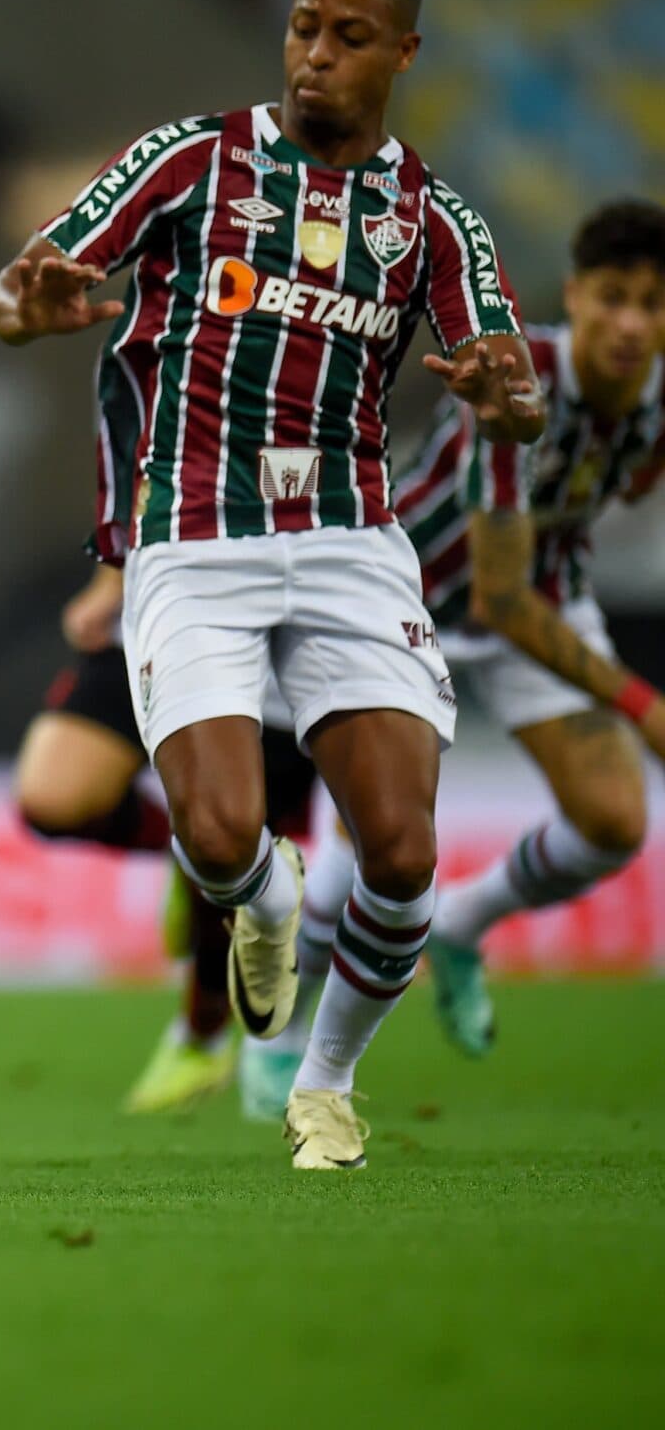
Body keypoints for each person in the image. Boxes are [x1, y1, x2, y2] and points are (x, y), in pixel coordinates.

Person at [0, 0, 542, 1169]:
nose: (315, 57)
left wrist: (508, 399)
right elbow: (25, 290)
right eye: (302, 28)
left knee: (402, 850)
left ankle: (325, 1083)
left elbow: (503, 372)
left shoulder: (433, 217)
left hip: (348, 537)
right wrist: (27, 305)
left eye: (347, 37)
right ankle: (268, 906)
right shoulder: (193, 161)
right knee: (227, 834)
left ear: (401, 53)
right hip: (192, 533)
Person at [242, 199, 665, 1106]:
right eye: (615, 298)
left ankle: (464, 925)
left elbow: (628, 479)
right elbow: (498, 597)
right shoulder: (522, 380)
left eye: (654, 304)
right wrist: (643, 704)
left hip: (543, 588)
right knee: (371, 846)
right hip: (418, 594)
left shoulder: (656, 395)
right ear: (578, 297)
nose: (633, 324)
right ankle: (283, 1040)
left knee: (615, 821)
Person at [17, 562, 316, 1114]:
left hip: (277, 646)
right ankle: (187, 851)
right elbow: (135, 473)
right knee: (51, 796)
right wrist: (111, 582)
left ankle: (202, 1035)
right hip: (158, 613)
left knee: (229, 845)